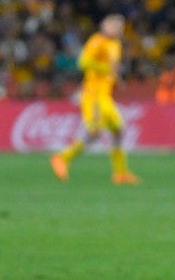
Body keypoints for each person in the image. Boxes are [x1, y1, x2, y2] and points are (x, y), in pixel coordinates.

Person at [50, 13, 139, 184]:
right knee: (95, 132)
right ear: (105, 25)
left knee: (118, 130)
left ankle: (120, 173)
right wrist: (105, 68)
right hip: (93, 95)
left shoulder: (115, 44)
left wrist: (115, 78)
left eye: (120, 27)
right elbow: (83, 62)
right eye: (114, 25)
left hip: (104, 95)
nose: (118, 29)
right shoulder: (97, 41)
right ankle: (62, 157)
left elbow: (112, 67)